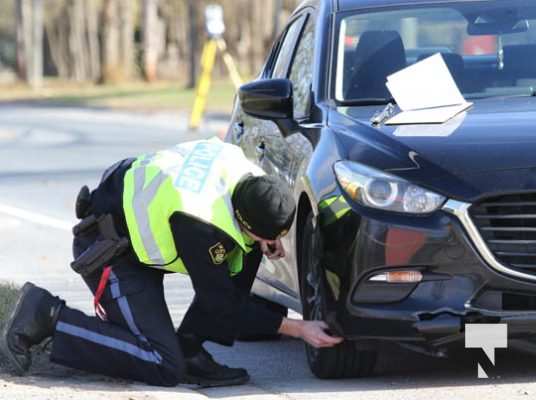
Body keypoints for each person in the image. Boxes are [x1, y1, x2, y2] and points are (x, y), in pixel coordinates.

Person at [0, 138, 343, 388]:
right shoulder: (201, 224)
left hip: (137, 220)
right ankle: (45, 315)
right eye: (271, 239)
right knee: (161, 363)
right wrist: (299, 329)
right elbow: (223, 304)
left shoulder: (251, 180)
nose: (277, 247)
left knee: (242, 261)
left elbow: (232, 289)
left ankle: (190, 351)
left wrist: (261, 243)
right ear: (246, 224)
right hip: (109, 247)